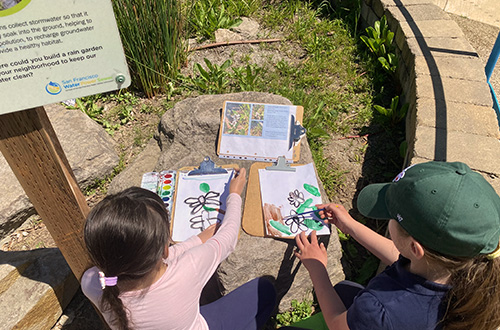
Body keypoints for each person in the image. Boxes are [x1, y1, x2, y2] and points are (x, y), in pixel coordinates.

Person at [288, 161, 500, 330]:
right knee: (344, 291)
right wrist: (350, 226)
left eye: (391, 216)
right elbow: (398, 253)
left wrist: (317, 270)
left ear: (416, 248)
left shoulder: (380, 309)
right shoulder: (473, 272)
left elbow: (337, 324)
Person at [81, 168, 276, 330]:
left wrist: (197, 240)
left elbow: (154, 260)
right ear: (165, 249)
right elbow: (229, 237)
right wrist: (234, 194)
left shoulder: (93, 283)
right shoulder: (188, 270)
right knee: (265, 290)